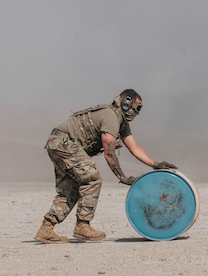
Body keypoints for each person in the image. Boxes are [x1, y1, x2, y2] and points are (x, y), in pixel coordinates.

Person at [35, 89, 178, 243]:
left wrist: (155, 164)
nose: (135, 112)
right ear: (126, 103)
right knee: (93, 178)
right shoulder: (111, 117)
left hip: (58, 144)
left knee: (70, 189)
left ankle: (46, 229)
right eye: (136, 107)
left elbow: (134, 147)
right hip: (64, 144)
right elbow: (109, 153)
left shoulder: (120, 122)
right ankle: (83, 225)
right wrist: (122, 177)